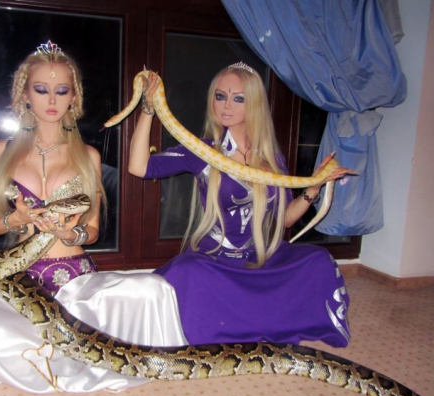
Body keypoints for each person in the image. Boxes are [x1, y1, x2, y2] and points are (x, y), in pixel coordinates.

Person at [0, 41, 187, 393]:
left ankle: (72, 351)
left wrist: (72, 234)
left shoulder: (88, 155)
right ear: (25, 95)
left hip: (76, 279)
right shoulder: (2, 152)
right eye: (41, 90)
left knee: (154, 289)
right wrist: (15, 220)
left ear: (74, 97)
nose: (52, 100)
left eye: (62, 91)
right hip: (20, 282)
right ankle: (56, 354)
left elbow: (93, 231)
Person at [129, 62, 355, 348]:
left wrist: (314, 188)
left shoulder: (271, 158)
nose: (226, 105)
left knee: (318, 260)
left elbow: (285, 219)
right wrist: (149, 109)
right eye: (220, 96)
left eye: (238, 98)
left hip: (260, 257)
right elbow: (139, 167)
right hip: (214, 261)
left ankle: (251, 315)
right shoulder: (203, 151)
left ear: (254, 104)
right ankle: (244, 319)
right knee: (188, 273)